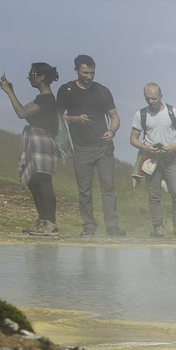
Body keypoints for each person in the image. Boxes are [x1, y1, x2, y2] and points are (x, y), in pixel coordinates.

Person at [56, 54, 122, 237]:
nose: (89, 76)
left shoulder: (102, 91)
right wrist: (75, 119)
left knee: (108, 187)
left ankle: (112, 226)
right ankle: (89, 226)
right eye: (85, 72)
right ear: (76, 70)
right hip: (80, 147)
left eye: (92, 73)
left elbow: (115, 116)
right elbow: (57, 116)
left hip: (103, 146)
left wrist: (112, 131)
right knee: (84, 189)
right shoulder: (66, 90)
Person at [0, 63, 62, 237]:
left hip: (41, 140)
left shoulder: (47, 98)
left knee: (43, 181)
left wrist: (10, 92)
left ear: (42, 77)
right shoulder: (42, 98)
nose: (29, 77)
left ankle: (50, 223)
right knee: (35, 182)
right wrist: (11, 91)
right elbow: (24, 109)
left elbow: (21, 113)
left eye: (31, 74)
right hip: (34, 140)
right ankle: (43, 221)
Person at [129, 83, 176, 238]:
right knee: (154, 195)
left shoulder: (173, 112)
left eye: (154, 98)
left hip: (171, 158)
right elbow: (133, 139)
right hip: (151, 159)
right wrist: (145, 148)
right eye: (148, 98)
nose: (151, 102)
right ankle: (157, 228)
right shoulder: (141, 114)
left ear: (161, 96)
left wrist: (174, 146)